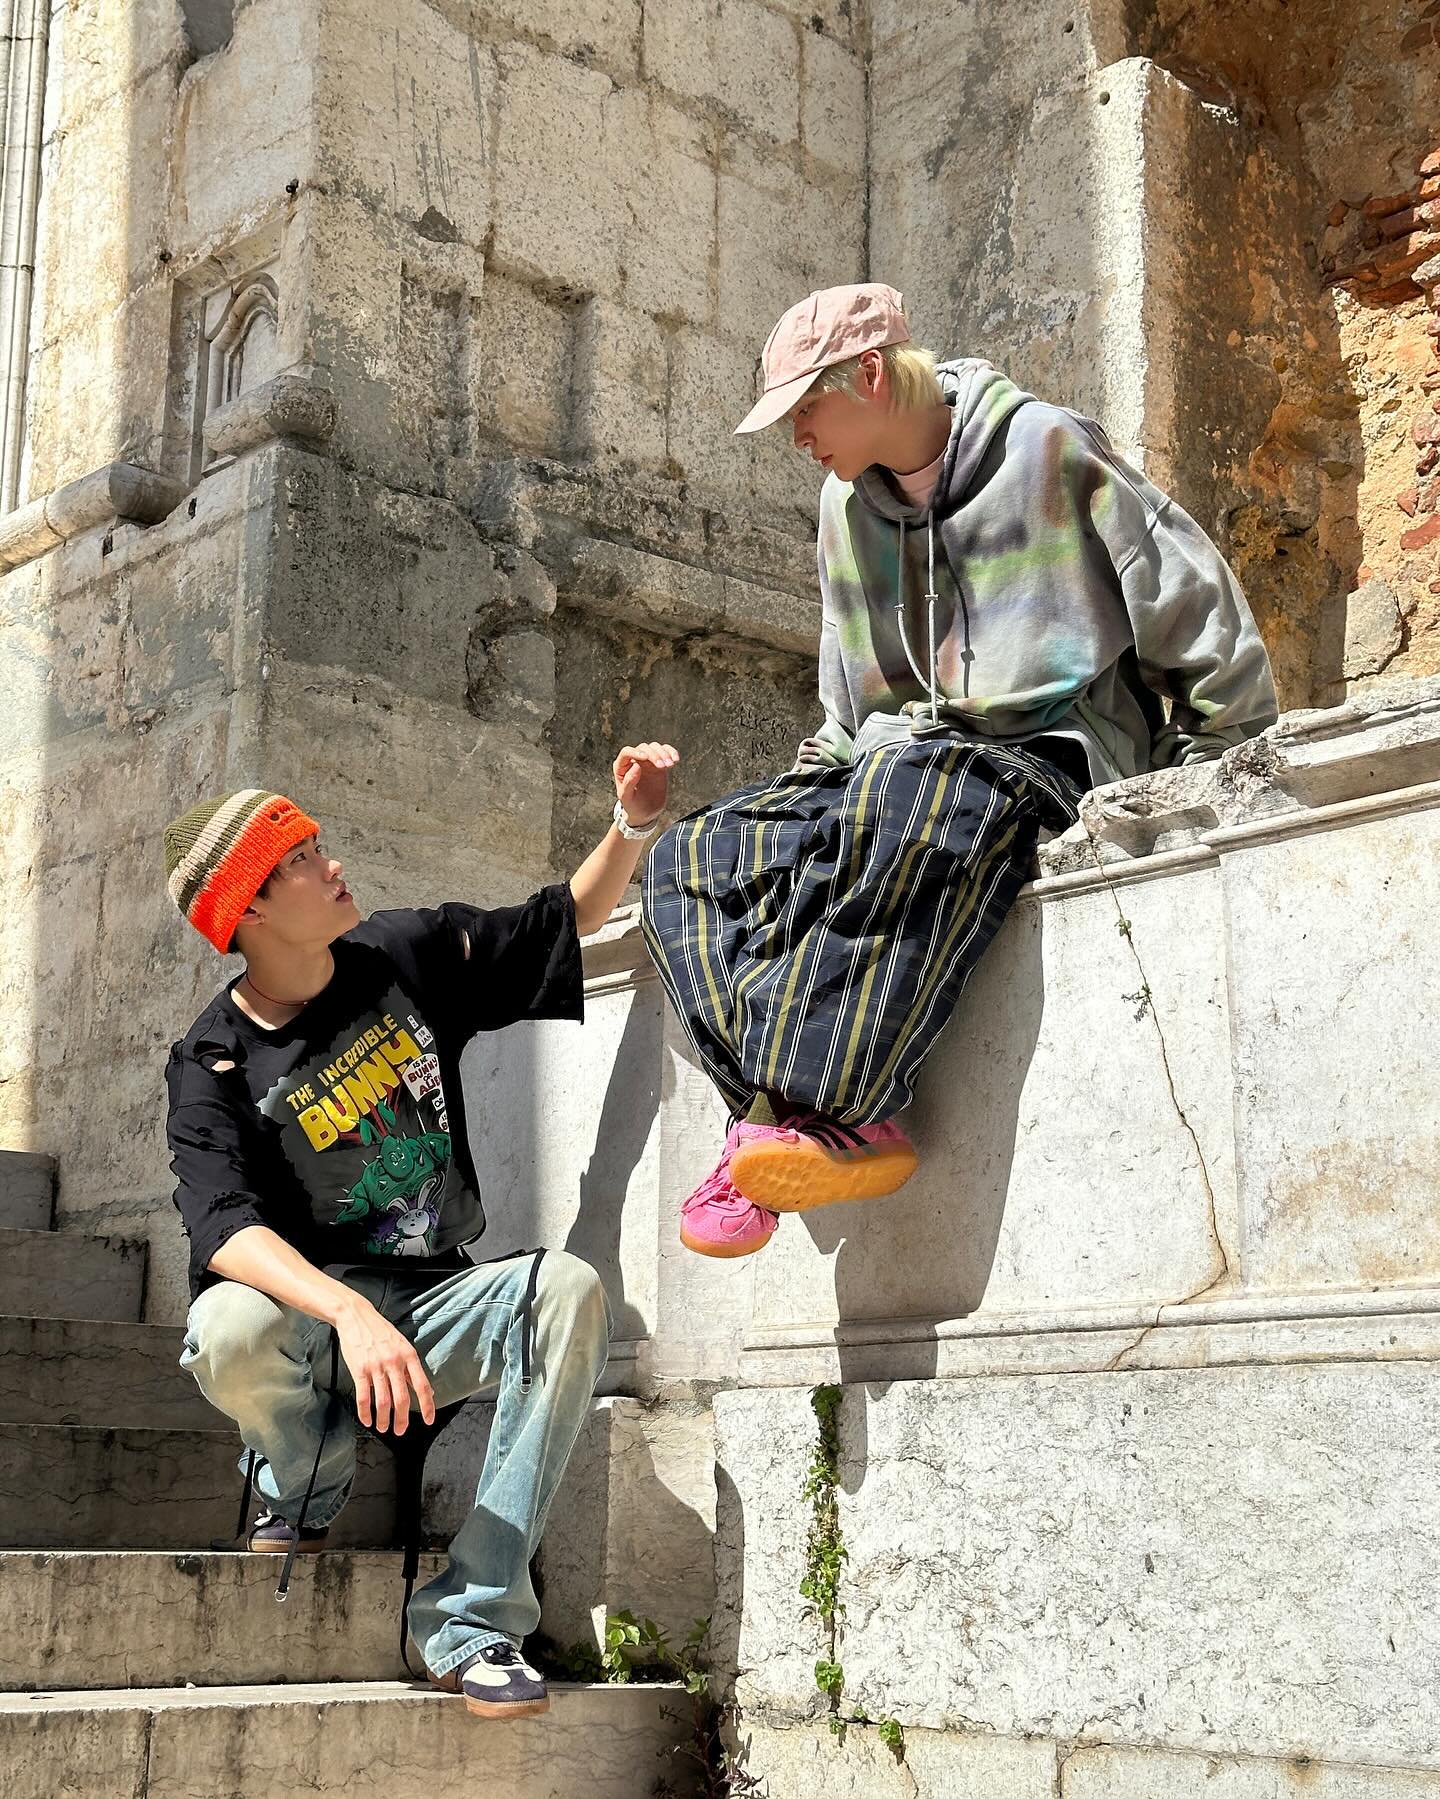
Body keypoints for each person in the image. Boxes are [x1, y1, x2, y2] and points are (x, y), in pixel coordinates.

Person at [642, 281, 1276, 1258]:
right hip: (898, 771)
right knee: (690, 856)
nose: (798, 437)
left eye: (806, 409)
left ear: (868, 374)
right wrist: (806, 808)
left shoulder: (1047, 448)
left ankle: (819, 1108)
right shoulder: (842, 508)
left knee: (908, 787)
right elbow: (847, 711)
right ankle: (789, 1116)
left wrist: (1214, 781)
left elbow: (1197, 613)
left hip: (1052, 755)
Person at [163, 740, 678, 1719]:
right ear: (251, 909)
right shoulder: (213, 1058)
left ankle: (473, 1616)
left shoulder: (400, 955)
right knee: (226, 1324)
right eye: (301, 858)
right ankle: (304, 1479)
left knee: (568, 1291)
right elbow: (222, 1227)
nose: (332, 863)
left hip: (437, 1301)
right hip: (316, 1326)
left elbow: (559, 921)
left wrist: (633, 823)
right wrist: (347, 1313)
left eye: (318, 842)